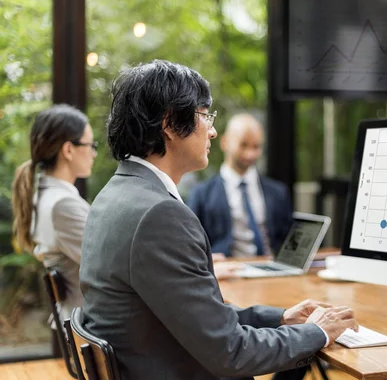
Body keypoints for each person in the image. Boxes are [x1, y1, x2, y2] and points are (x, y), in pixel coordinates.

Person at [79, 59, 357, 380]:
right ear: (170, 123)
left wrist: (280, 318)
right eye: (205, 115)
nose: (211, 130)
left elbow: (200, 315)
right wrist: (317, 333)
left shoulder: (115, 195)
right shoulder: (159, 214)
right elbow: (230, 353)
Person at [12, 104, 96, 324]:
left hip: (79, 323)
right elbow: (108, 266)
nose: (94, 153)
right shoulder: (62, 205)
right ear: (68, 150)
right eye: (90, 145)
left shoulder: (42, 196)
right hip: (92, 327)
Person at [187, 113, 293, 257]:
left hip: (272, 268)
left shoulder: (278, 192)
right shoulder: (201, 194)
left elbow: (288, 241)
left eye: (256, 147)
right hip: (227, 272)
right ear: (225, 142)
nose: (250, 154)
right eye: (243, 145)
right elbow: (191, 244)